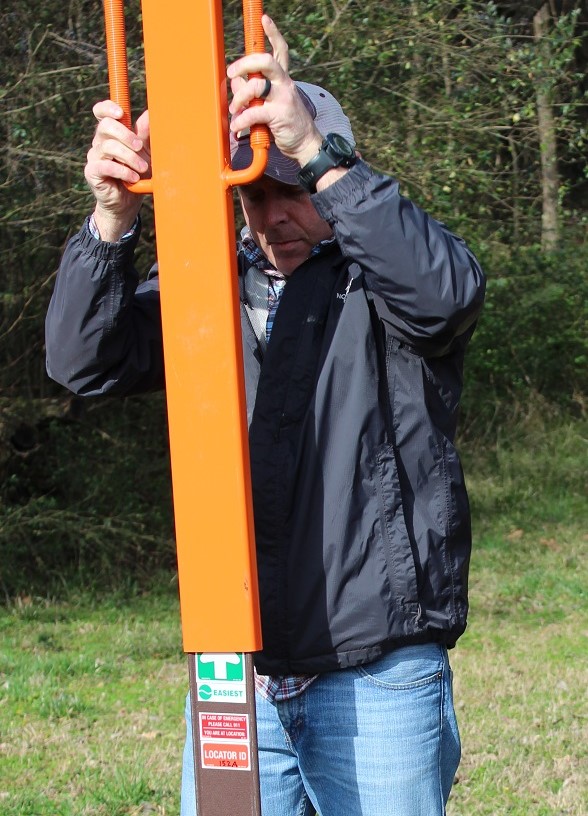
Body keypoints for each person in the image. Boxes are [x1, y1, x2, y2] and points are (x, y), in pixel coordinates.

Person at [45, 15, 485, 816]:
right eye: (253, 193)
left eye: (291, 190)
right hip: (235, 680)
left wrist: (311, 149)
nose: (271, 215)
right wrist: (111, 221)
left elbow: (445, 295)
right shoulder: (209, 289)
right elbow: (83, 362)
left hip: (374, 675)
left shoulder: (382, 277)